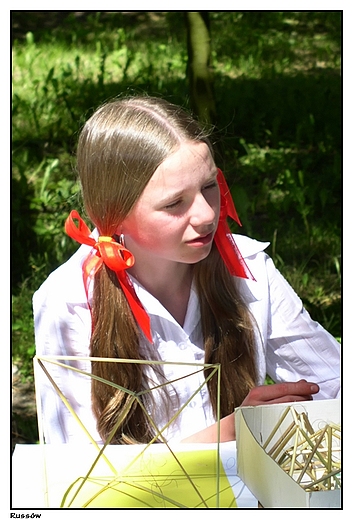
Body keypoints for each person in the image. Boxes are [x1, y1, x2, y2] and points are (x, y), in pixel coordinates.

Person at [33, 95, 340, 446]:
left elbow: (333, 384)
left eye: (209, 186)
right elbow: (78, 477)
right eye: (174, 203)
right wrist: (230, 433)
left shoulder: (249, 268)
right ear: (111, 213)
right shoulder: (69, 302)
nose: (207, 214)